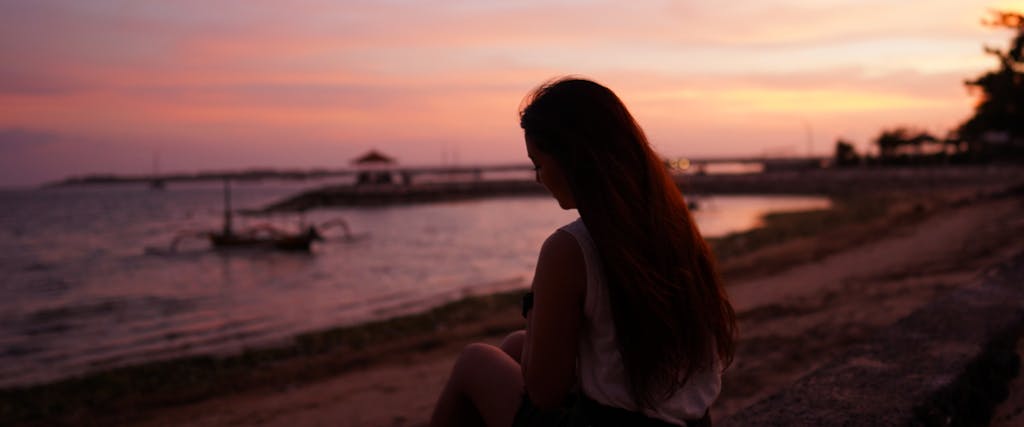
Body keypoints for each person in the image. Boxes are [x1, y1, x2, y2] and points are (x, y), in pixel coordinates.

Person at [429, 77, 737, 427]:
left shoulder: (570, 248)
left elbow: (545, 394)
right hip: (691, 420)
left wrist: (537, 303)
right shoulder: (671, 225)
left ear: (571, 160)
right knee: (516, 344)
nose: (538, 179)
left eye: (538, 164)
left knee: (474, 361)